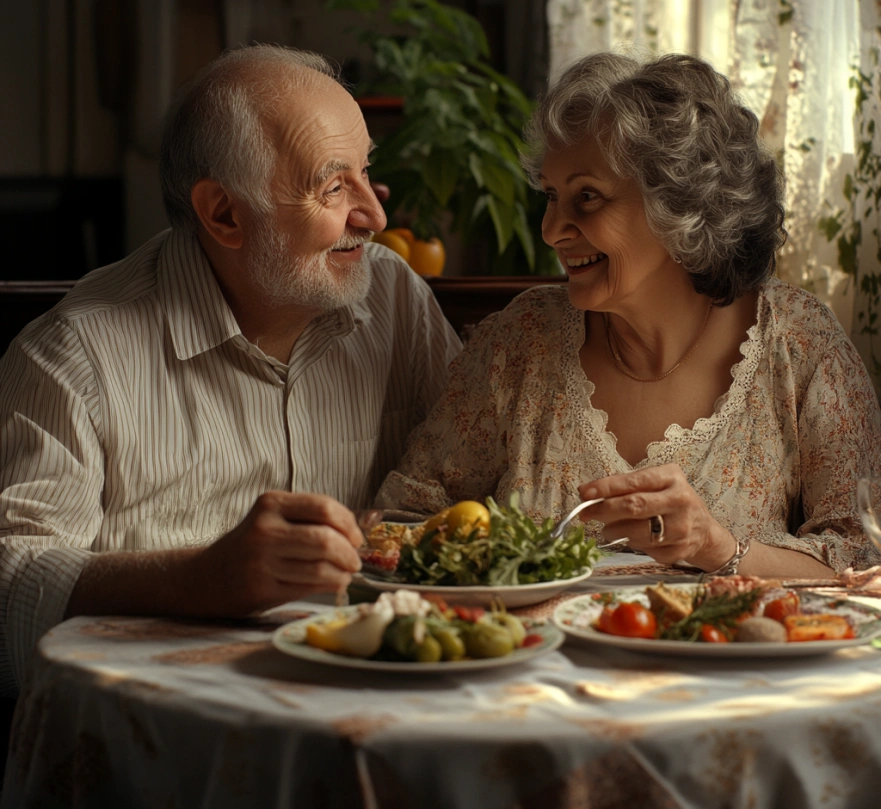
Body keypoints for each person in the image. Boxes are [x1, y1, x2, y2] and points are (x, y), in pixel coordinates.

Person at [0, 45, 461, 695]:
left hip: (378, 696)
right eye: (333, 186)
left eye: (366, 172)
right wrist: (197, 578)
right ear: (223, 214)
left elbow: (489, 472)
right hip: (166, 735)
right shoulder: (73, 356)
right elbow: (9, 584)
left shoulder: (393, 298)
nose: (376, 217)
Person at [376, 52, 881, 579]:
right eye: (551, 196)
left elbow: (863, 560)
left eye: (586, 197)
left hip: (721, 658)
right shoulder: (520, 341)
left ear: (680, 206)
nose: (552, 230)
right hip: (533, 656)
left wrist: (716, 547)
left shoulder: (798, 344)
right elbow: (405, 519)